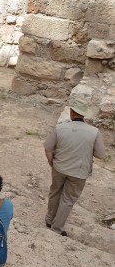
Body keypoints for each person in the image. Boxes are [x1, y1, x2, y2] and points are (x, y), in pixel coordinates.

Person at [43, 99, 105, 237]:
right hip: (79, 172)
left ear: (71, 113)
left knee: (54, 193)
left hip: (59, 167)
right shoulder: (94, 132)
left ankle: (49, 220)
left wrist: (51, 162)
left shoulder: (60, 127)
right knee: (68, 199)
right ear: (84, 115)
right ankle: (57, 228)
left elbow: (48, 148)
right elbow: (100, 155)